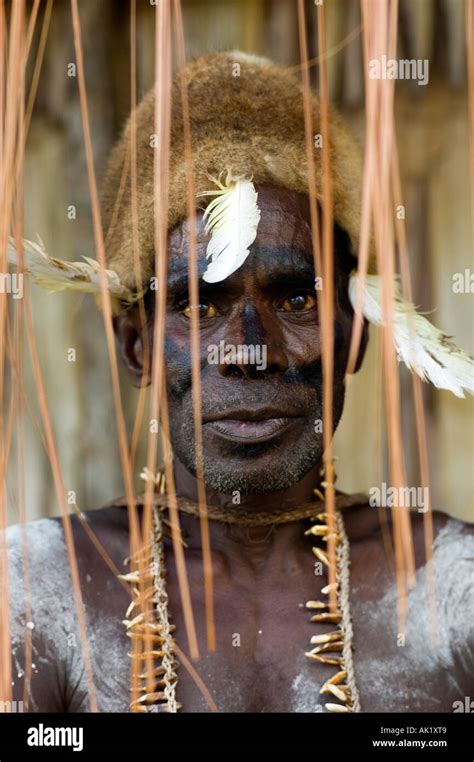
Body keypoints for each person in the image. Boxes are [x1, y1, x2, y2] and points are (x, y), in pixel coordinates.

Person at [7, 52, 473, 713]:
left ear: (355, 335)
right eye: (200, 307)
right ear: (137, 348)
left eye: (295, 302)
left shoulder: (458, 592)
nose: (252, 352)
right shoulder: (35, 592)